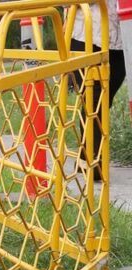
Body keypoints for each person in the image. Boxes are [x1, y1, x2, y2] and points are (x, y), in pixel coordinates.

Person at [70, 0, 125, 180]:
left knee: (101, 100)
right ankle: (92, 162)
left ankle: (86, 157)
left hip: (117, 34)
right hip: (85, 33)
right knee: (92, 99)